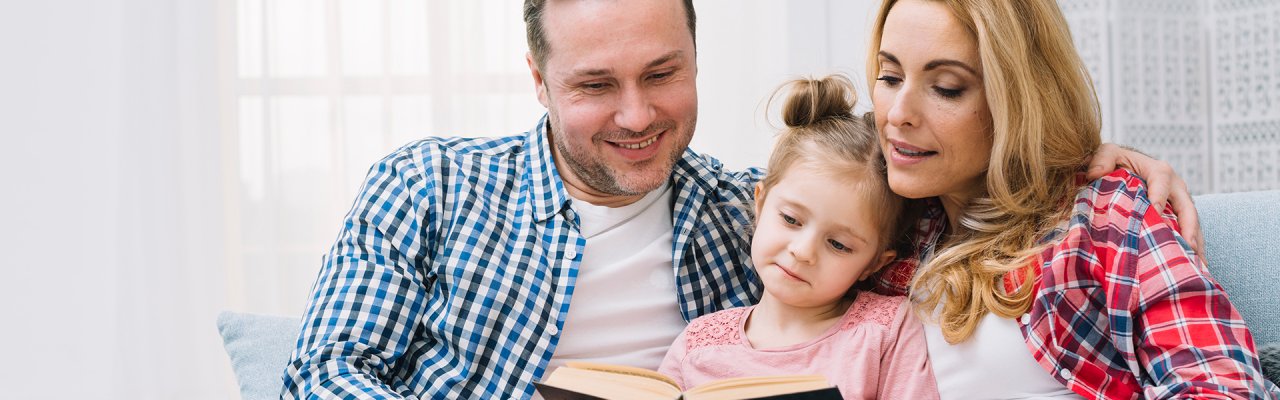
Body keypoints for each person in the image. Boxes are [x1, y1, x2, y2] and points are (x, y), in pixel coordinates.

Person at [280, 0, 1202, 398]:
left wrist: (1075, 162)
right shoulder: (430, 185)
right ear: (538, 80)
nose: (637, 115)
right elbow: (321, 377)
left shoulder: (755, 212)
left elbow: (923, 185)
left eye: (664, 73)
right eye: (597, 84)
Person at [862, 0, 1280, 398]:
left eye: (947, 88)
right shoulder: (883, 217)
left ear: (1019, 98)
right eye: (890, 77)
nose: (898, 113)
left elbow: (1222, 385)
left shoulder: (1106, 213)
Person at [656, 75, 937, 399]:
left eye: (838, 244)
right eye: (791, 219)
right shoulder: (698, 345)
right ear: (759, 204)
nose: (803, 251)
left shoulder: (885, 331)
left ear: (873, 264)